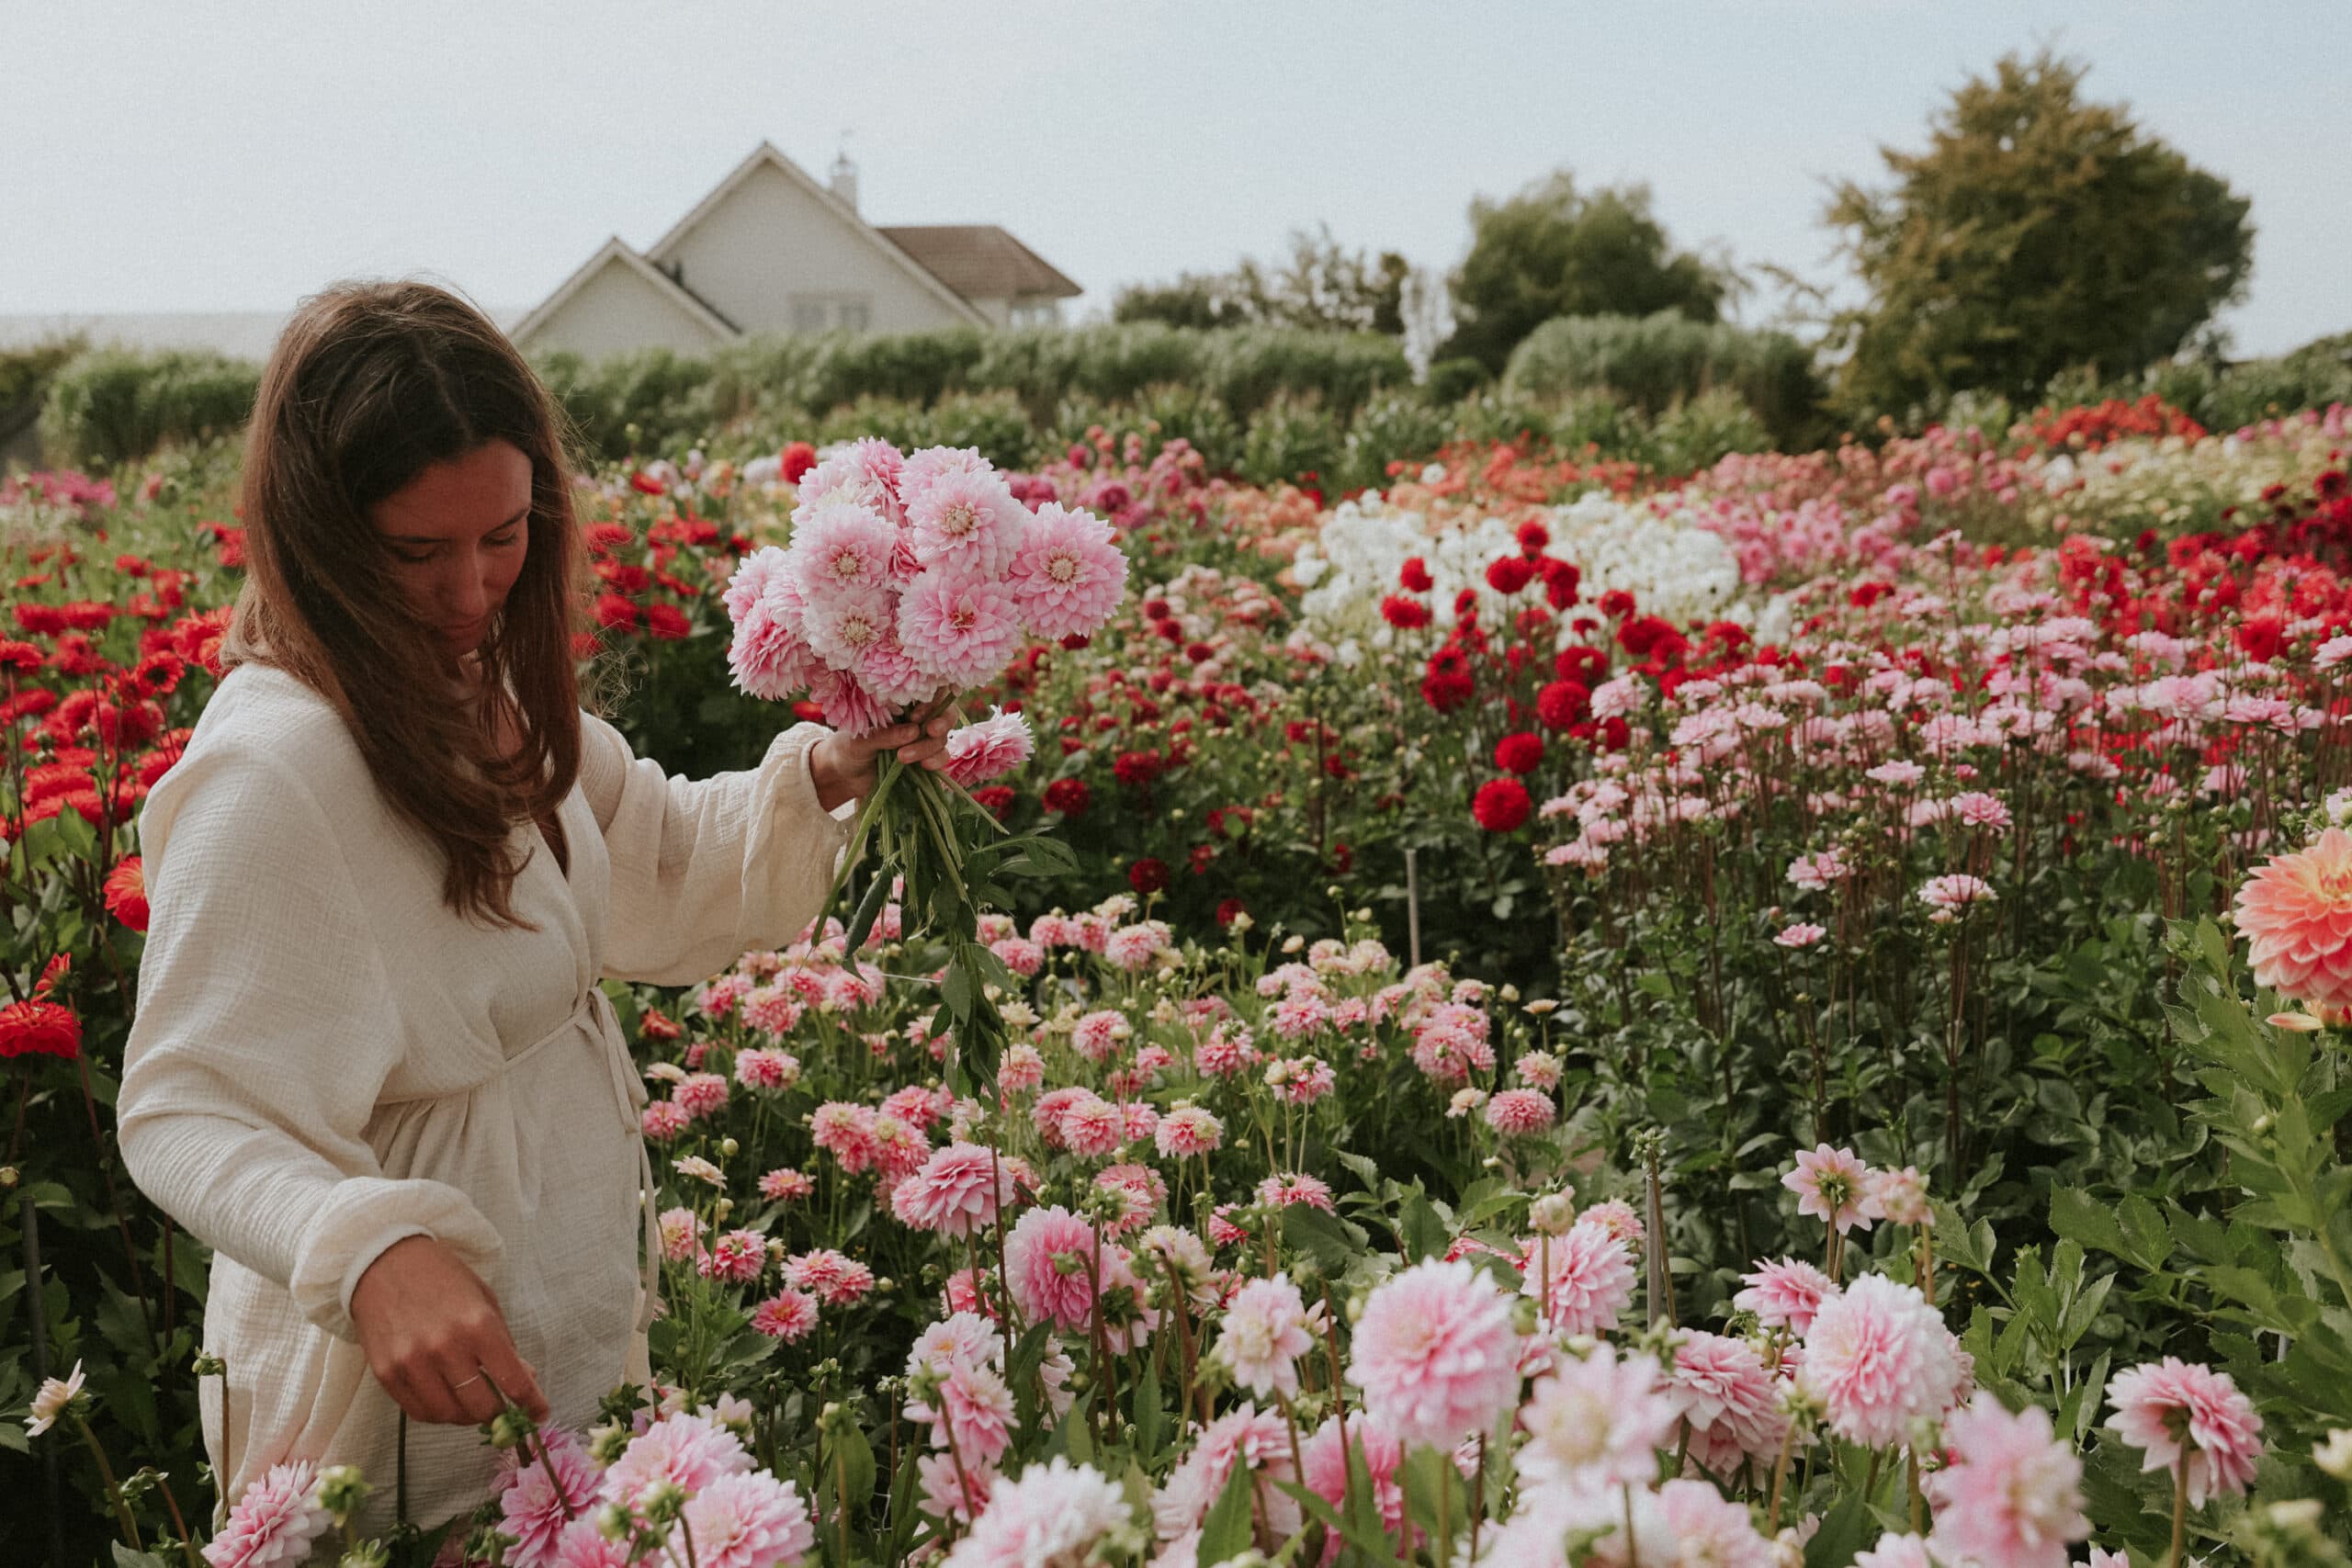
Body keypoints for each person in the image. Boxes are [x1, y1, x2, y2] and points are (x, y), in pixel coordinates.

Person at [115, 278, 949, 1534]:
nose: (470, 591)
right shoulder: (277, 764)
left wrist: (829, 771)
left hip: (555, 1330)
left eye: (502, 537)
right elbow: (187, 1101)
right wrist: (367, 1248)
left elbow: (650, 850)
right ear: (318, 536)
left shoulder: (481, 690)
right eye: (415, 551)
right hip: (392, 1410)